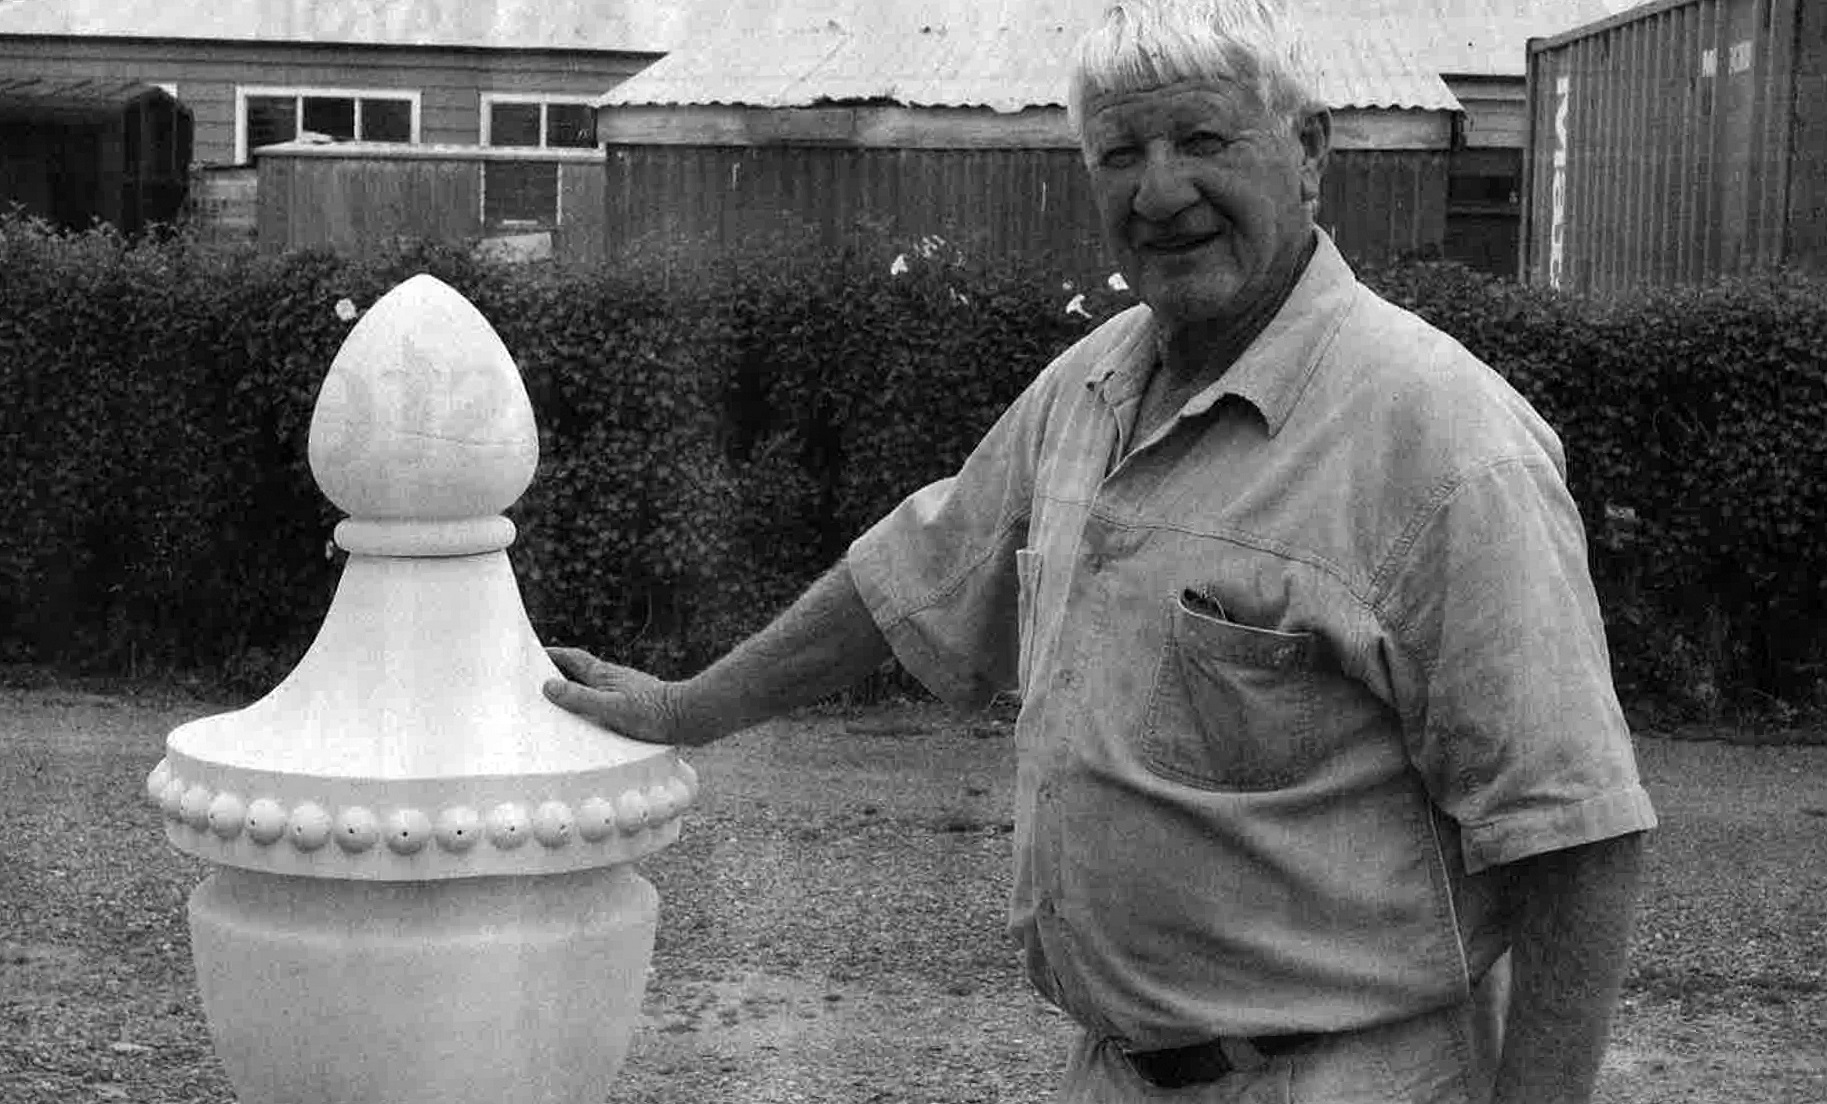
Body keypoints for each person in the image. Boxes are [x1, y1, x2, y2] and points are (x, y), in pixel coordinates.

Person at [543, 1, 1657, 1100]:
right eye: (1120, 152)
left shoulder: (1450, 444)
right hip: (1115, 1072)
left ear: (1309, 152)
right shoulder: (1090, 385)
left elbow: (1577, 841)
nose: (1160, 191)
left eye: (1204, 141)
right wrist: (688, 708)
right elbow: (910, 582)